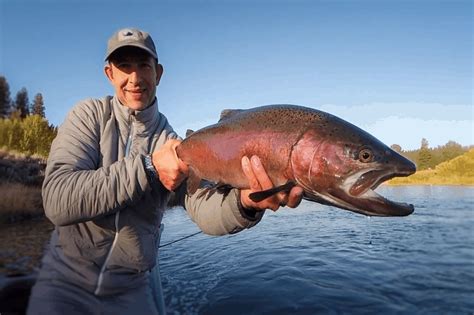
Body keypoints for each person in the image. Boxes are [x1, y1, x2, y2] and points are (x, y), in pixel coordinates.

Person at [26, 28, 303, 315]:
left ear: (158, 73)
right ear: (110, 74)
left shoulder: (176, 145)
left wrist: (244, 204)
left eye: (143, 66)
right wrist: (149, 167)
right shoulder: (87, 116)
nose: (135, 78)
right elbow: (58, 201)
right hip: (65, 279)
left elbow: (204, 212)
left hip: (132, 288)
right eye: (124, 66)